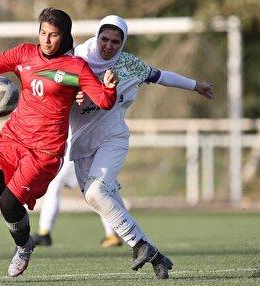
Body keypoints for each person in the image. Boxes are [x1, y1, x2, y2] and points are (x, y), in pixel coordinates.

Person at [0, 8, 117, 283]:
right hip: (12, 139)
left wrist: (109, 87)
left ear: (65, 36)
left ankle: (24, 246)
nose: (46, 40)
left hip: (44, 152)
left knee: (9, 204)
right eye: (43, 33)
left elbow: (103, 101)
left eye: (53, 35)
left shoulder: (75, 68)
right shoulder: (24, 54)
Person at [35, 15, 214, 280]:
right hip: (81, 144)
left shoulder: (129, 64)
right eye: (104, 39)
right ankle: (153, 255)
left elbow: (161, 75)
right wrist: (73, 94)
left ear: (123, 43)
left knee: (96, 193)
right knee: (104, 200)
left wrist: (195, 85)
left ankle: (141, 247)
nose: (108, 46)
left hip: (113, 138)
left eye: (115, 42)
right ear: (97, 36)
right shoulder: (76, 58)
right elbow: (50, 85)